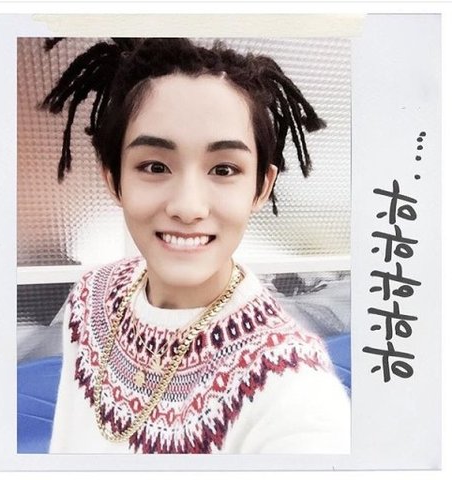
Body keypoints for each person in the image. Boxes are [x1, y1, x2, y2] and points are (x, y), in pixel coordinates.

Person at [42, 37, 350, 454]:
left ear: (261, 187)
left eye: (224, 169)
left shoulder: (295, 391)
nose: (188, 207)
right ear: (114, 179)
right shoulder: (91, 297)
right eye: (154, 166)